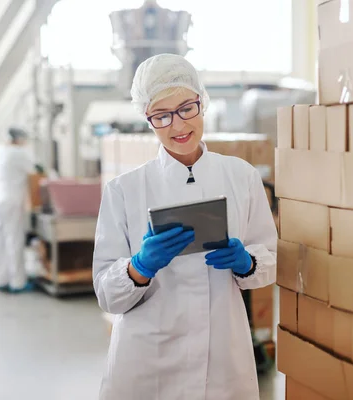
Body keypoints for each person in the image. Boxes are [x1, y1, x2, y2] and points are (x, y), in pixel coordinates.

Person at [92, 54, 277, 399]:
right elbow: (106, 293)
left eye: (186, 109)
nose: (178, 126)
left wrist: (247, 262)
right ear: (148, 120)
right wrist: (138, 268)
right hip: (149, 358)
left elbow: (270, 259)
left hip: (221, 356)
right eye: (162, 116)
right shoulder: (123, 190)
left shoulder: (241, 176)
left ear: (201, 102)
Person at [0, 127, 35, 293]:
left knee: (0, 240)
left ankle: (1, 279)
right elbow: (34, 170)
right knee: (14, 239)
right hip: (12, 201)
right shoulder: (20, 153)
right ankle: (18, 282)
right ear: (19, 139)